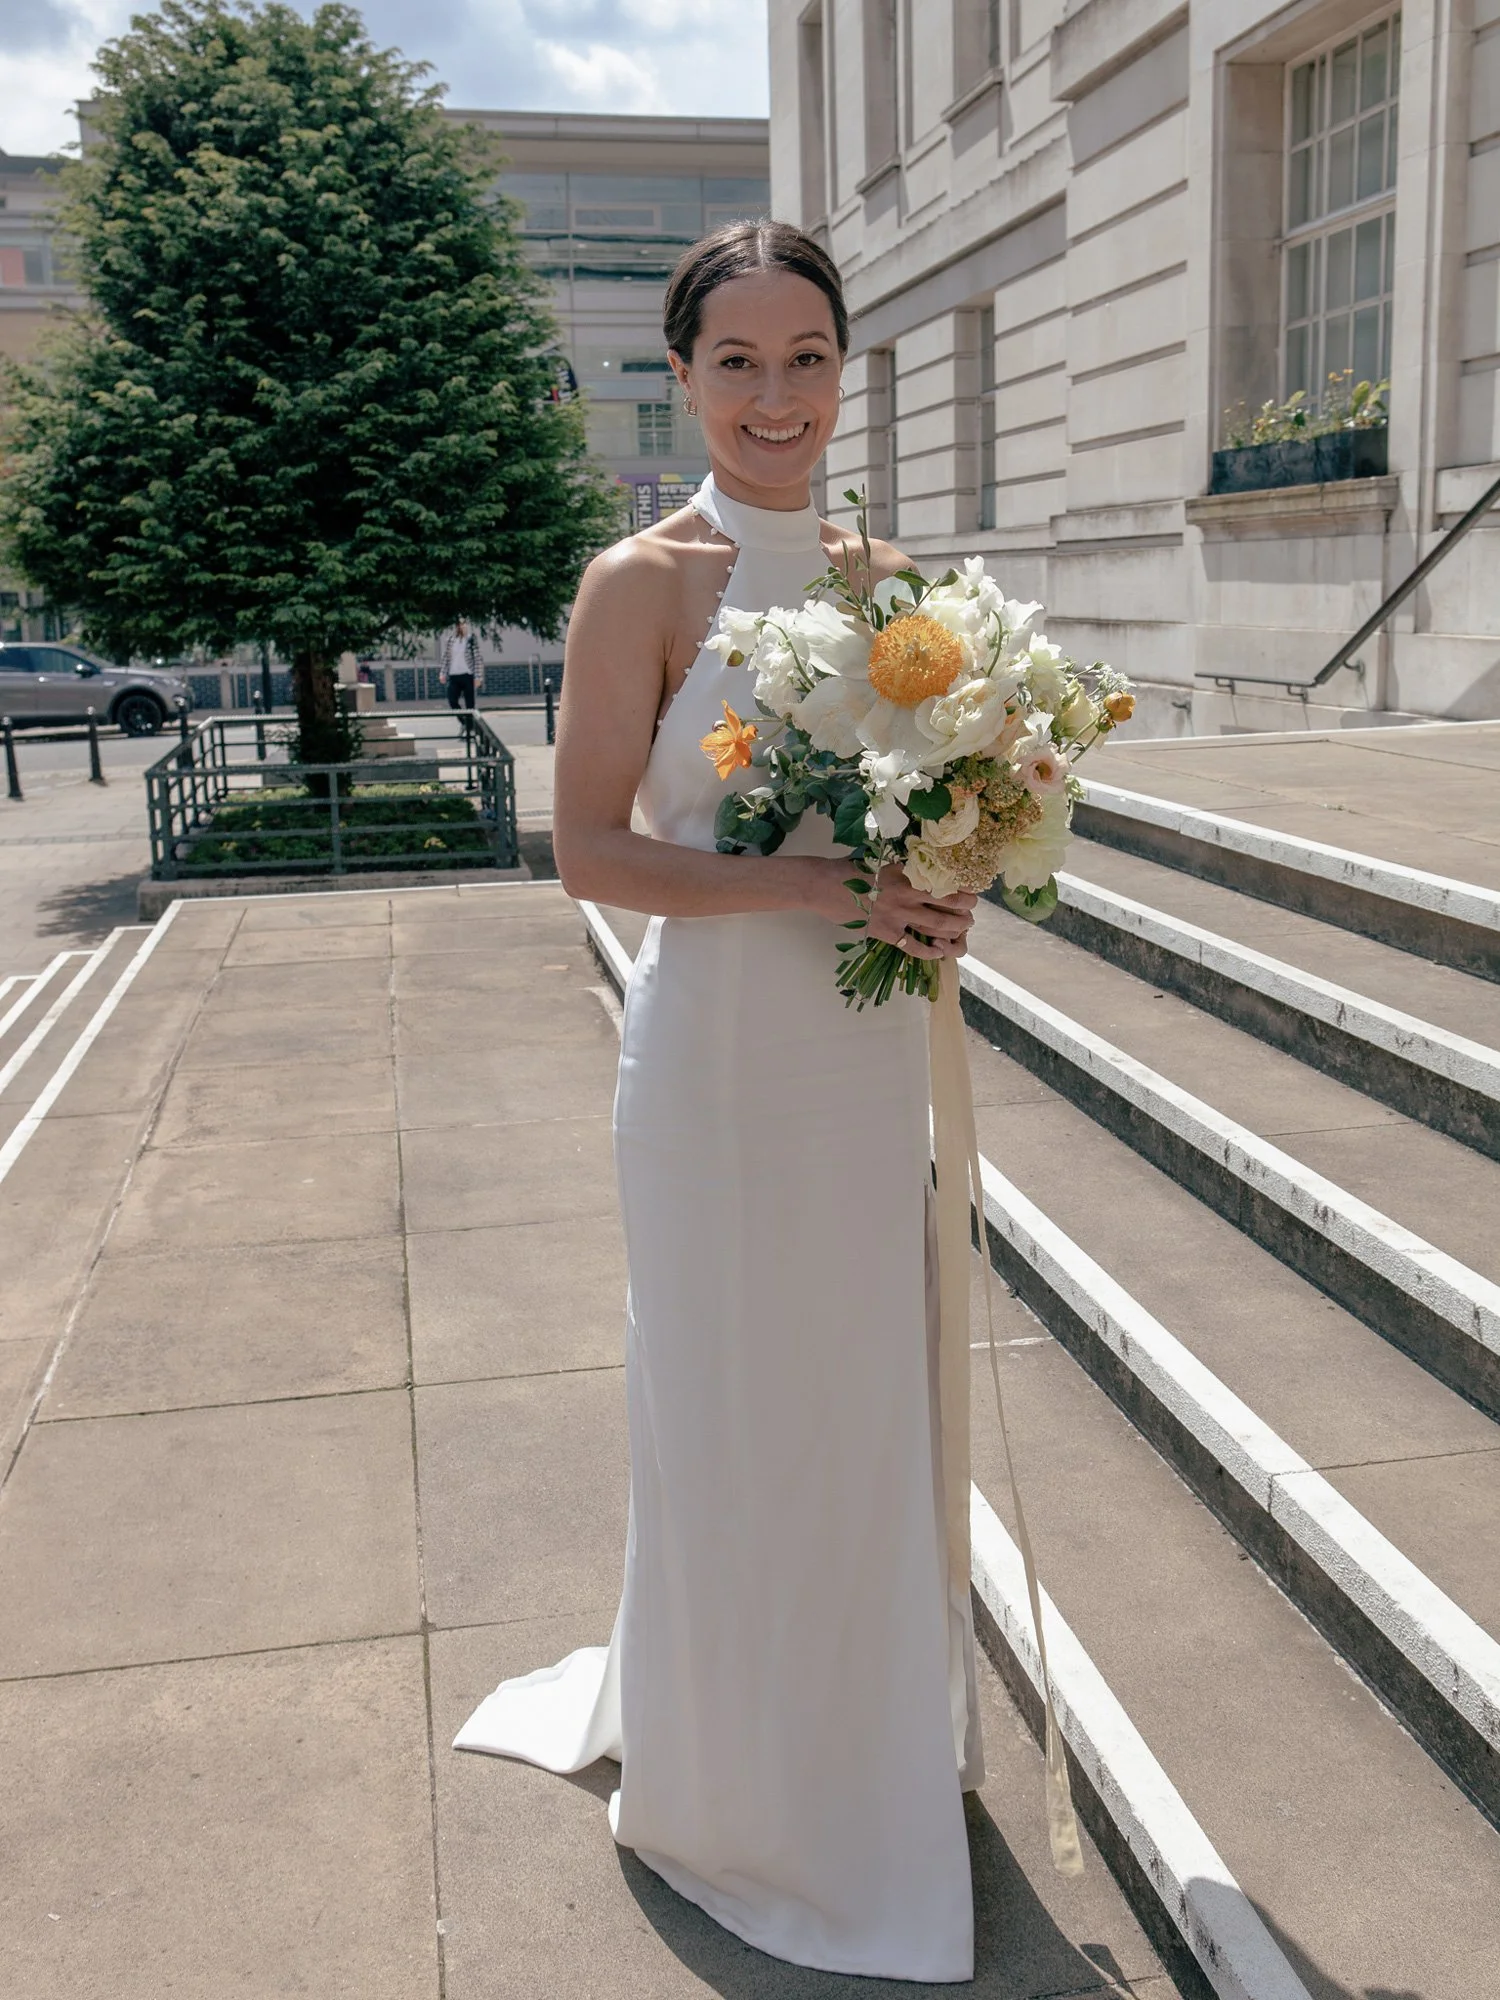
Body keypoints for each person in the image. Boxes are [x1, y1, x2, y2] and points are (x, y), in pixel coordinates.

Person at [454, 222, 981, 1982]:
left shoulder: (892, 573)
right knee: (729, 1411)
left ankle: (855, 1752)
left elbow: (914, 812)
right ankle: (734, 1784)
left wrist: (954, 868)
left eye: (808, 355)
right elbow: (586, 849)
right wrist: (822, 894)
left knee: (852, 1411)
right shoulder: (644, 582)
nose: (778, 395)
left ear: (848, 369)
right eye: (737, 361)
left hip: (854, 1060)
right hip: (715, 1076)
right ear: (679, 376)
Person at [438, 619, 479, 709]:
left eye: (464, 624)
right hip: (453, 676)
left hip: (467, 675)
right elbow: (446, 657)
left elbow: (477, 659)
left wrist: (478, 677)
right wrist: (442, 673)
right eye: (459, 625)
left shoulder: (470, 639)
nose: (461, 627)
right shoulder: (450, 640)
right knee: (452, 701)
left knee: (470, 705)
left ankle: (469, 723)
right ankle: (464, 721)